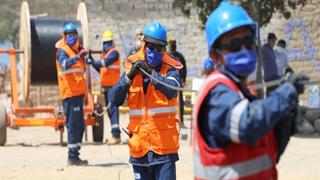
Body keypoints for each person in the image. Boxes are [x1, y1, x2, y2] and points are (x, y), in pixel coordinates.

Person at [193, 1, 308, 179]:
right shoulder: (216, 92)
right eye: (234, 45)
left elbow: (265, 155)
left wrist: (285, 118)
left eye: (248, 42)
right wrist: (286, 93)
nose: (244, 49)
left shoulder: (242, 95)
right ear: (215, 56)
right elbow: (247, 124)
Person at [108, 22, 183, 180]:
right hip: (139, 148)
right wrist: (128, 78)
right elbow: (114, 99)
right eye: (151, 47)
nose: (154, 52)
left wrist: (150, 73)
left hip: (164, 149)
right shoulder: (132, 70)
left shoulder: (170, 70)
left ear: (164, 49)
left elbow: (172, 90)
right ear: (144, 45)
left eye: (159, 48)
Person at [55, 23, 88, 166]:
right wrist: (77, 57)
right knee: (73, 125)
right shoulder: (62, 51)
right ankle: (72, 156)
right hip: (69, 94)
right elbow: (64, 64)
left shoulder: (76, 51)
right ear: (64, 36)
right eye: (69, 36)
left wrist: (82, 56)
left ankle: (76, 153)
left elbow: (81, 72)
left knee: (80, 125)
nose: (72, 38)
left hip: (78, 94)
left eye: (74, 35)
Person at [86, 30, 121, 145]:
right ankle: (114, 135)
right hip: (106, 87)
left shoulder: (114, 53)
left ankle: (116, 135)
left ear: (112, 43)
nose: (107, 45)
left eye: (109, 43)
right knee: (110, 111)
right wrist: (91, 60)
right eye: (105, 43)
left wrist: (92, 61)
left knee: (113, 110)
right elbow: (100, 69)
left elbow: (103, 63)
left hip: (113, 86)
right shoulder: (105, 54)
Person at [167, 37, 187, 127]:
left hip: (179, 82)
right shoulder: (166, 56)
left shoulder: (180, 56)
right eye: (171, 42)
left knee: (180, 102)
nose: (173, 44)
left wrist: (184, 79)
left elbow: (184, 68)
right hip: (169, 82)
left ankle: (181, 122)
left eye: (174, 42)